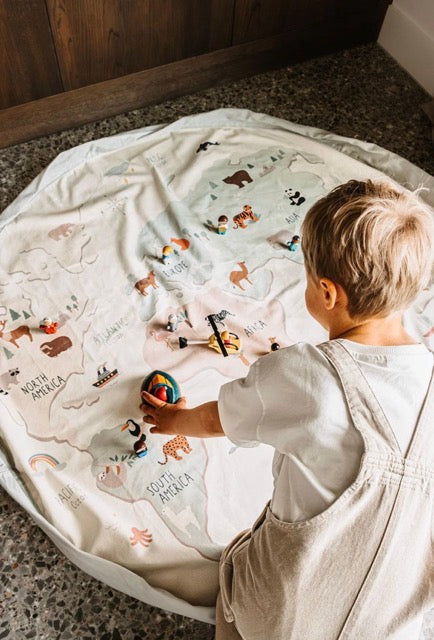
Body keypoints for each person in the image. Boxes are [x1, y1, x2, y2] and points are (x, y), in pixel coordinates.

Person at [140, 179, 434, 640]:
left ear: (327, 293)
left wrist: (174, 419)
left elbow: (217, 419)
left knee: (240, 584)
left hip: (285, 618)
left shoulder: (306, 375)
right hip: (393, 626)